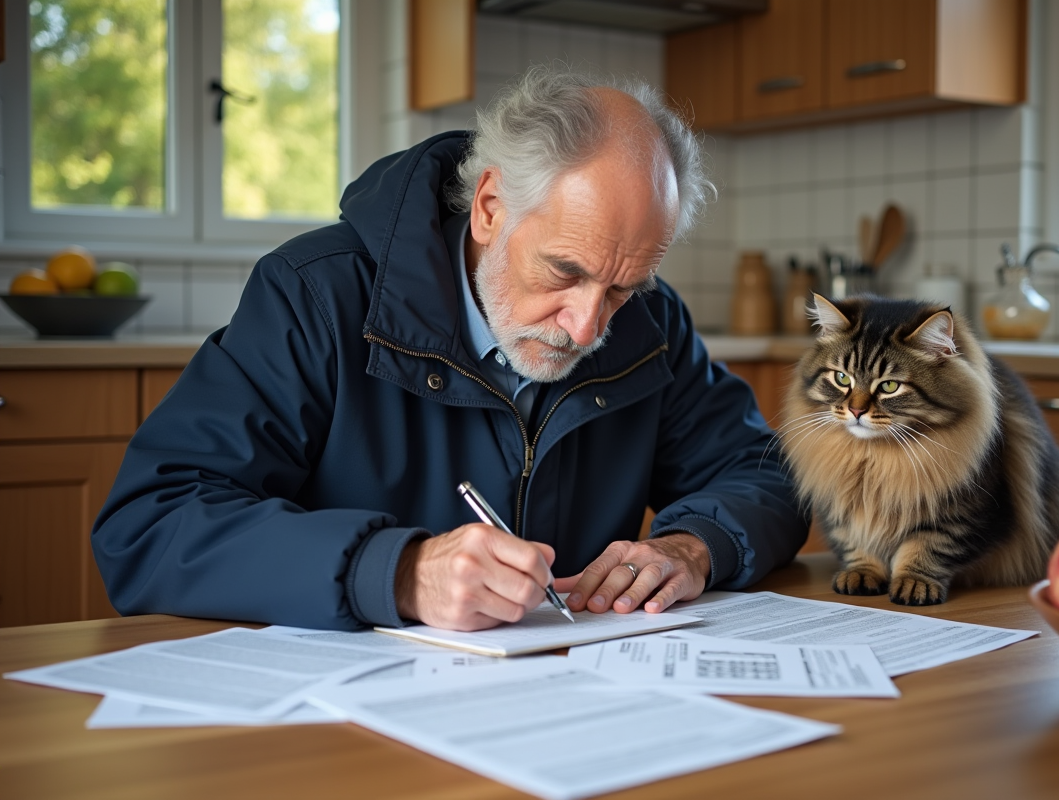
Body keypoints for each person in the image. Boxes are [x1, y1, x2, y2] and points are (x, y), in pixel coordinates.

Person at [92, 66, 808, 632]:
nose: (587, 327)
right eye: (565, 272)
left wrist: (694, 547)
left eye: (622, 287)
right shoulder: (316, 295)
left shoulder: (651, 324)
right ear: (491, 207)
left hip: (573, 710)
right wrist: (397, 572)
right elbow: (151, 523)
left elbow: (771, 476)